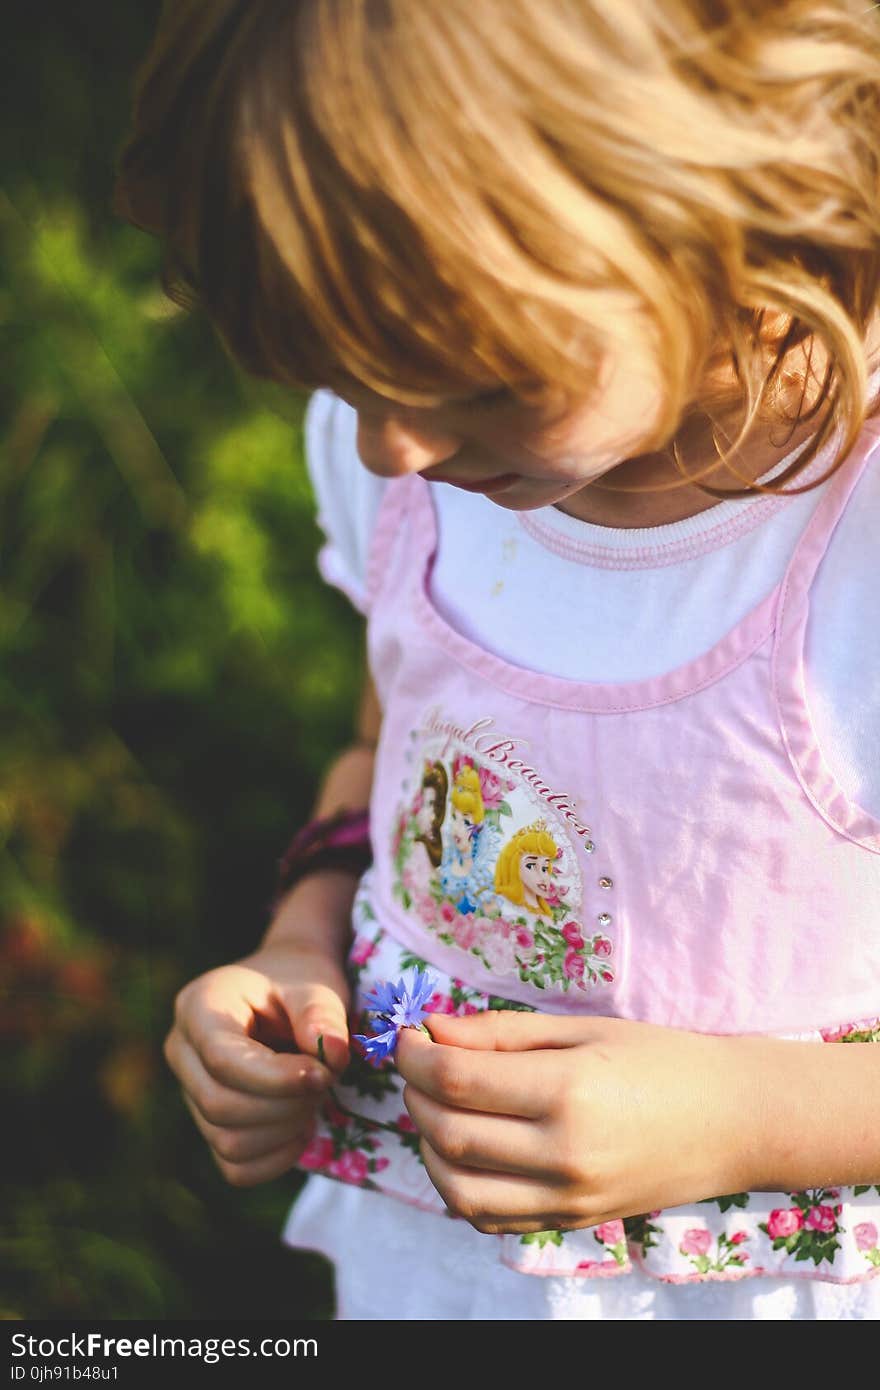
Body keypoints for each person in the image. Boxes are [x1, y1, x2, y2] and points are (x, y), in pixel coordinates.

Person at [116, 1, 880, 1318]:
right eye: (345, 382)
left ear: (696, 207)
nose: (386, 449)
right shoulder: (429, 475)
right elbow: (386, 753)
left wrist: (741, 1115)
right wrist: (302, 946)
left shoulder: (850, 542)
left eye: (459, 372)